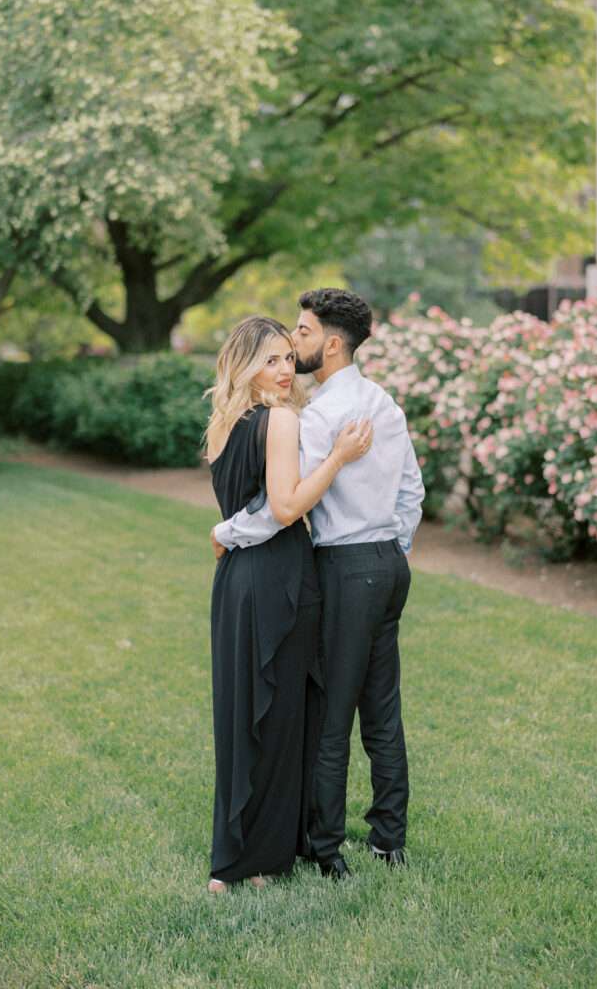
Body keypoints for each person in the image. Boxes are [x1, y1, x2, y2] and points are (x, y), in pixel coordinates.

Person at [212, 289, 424, 880]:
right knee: (383, 710)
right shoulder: (384, 402)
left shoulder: (319, 417)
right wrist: (391, 548)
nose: (293, 344)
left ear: (331, 344)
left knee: (332, 712)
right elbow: (412, 492)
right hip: (389, 565)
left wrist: (227, 530)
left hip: (344, 567)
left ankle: (326, 848)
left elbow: (281, 501)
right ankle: (389, 838)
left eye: (301, 334)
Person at [205, 315, 373, 894]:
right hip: (278, 576)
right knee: (279, 714)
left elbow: (239, 510)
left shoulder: (222, 425)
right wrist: (339, 458)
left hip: (235, 583)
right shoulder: (278, 420)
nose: (283, 371)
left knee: (243, 712)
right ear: (245, 365)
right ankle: (263, 857)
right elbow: (284, 508)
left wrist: (224, 533)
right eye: (269, 361)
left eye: (286, 358)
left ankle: (240, 851)